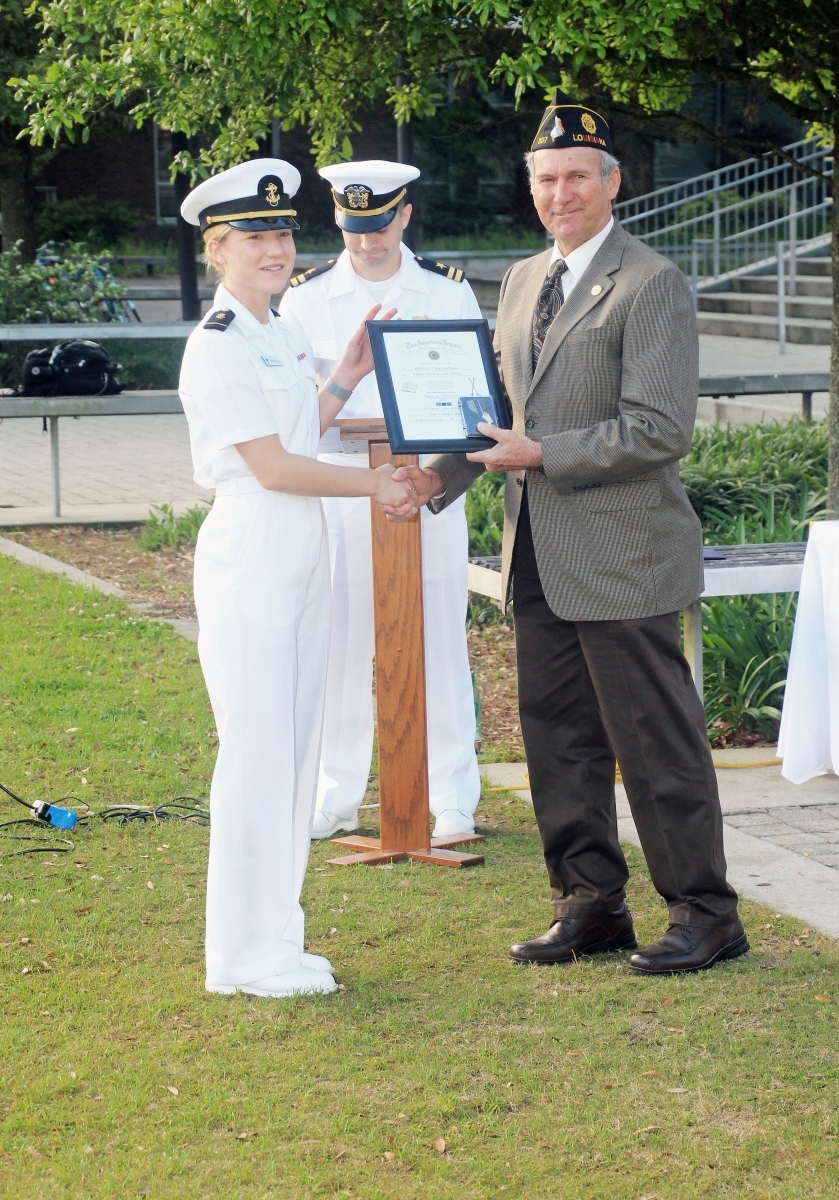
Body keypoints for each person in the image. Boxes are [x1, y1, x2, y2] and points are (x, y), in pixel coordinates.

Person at [385, 92, 748, 976]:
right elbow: (497, 418)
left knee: (652, 741)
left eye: (577, 176)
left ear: (611, 183)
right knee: (557, 737)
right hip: (536, 553)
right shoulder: (519, 280)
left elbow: (658, 429)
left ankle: (706, 913)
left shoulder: (651, 282)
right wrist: (439, 476)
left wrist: (541, 451)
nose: (560, 192)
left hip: (621, 556)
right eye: (545, 178)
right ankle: (588, 903)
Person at [178, 159, 412, 998]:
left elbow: (300, 424)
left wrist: (345, 372)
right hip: (253, 550)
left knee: (295, 748)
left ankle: (277, 934)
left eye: (280, 232)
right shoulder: (216, 345)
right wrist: (375, 484)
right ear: (218, 248)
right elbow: (274, 466)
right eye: (254, 235)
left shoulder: (274, 331)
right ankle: (237, 956)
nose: (274, 247)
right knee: (256, 755)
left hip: (300, 550)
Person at [280, 160, 482, 842]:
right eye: (352, 228)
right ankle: (336, 794)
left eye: (379, 225)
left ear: (404, 214)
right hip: (340, 488)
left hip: (425, 487)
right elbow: (293, 420)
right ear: (340, 222)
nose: (367, 242)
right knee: (338, 645)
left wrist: (432, 472)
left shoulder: (446, 294)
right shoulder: (304, 302)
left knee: (440, 642)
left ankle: (452, 796)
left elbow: (478, 403)